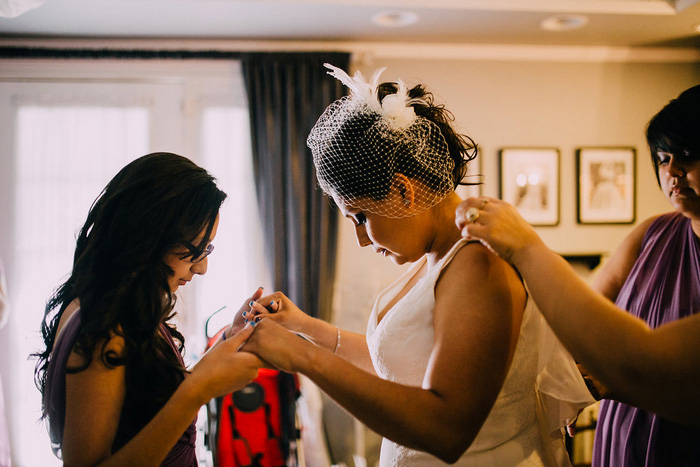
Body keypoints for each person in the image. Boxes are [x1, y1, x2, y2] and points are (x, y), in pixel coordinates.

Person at [240, 64, 593, 466]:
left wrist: (302, 359)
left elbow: (446, 430)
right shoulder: (438, 256)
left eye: (360, 217)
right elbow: (401, 365)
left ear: (403, 190)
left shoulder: (479, 265)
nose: (361, 238)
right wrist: (304, 328)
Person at [456, 84, 700, 466]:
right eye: (663, 157)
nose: (671, 171)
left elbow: (653, 368)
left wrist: (527, 247)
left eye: (686, 155)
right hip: (627, 437)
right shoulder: (652, 234)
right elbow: (581, 323)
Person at [33, 153, 263, 466]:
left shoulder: (116, 308)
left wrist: (226, 343)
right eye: (194, 250)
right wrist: (199, 390)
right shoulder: (108, 331)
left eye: (208, 249)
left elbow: (147, 404)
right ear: (151, 237)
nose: (203, 268)